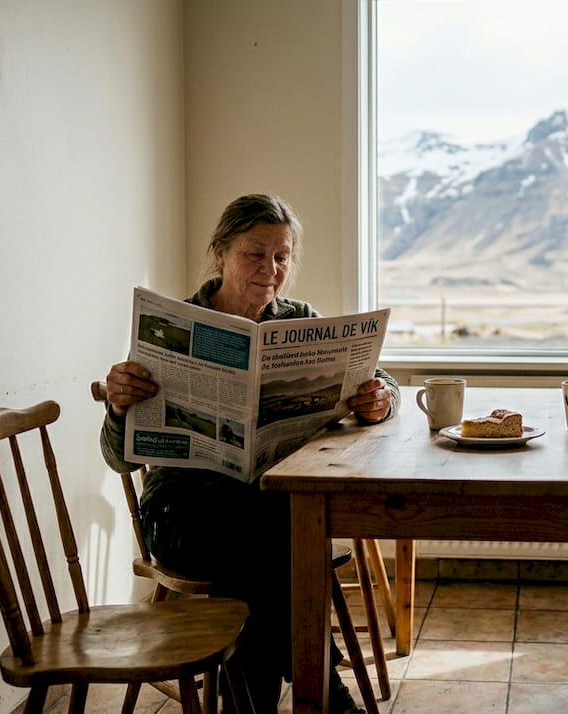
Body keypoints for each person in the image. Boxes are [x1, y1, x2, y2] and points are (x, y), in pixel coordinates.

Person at [100, 193, 398, 714]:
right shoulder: (173, 327)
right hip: (183, 516)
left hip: (266, 516)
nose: (270, 269)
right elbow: (118, 460)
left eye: (282, 256)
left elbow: (378, 377)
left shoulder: (299, 320)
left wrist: (382, 398)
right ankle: (322, 685)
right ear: (220, 253)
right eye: (254, 254)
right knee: (278, 534)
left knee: (267, 534)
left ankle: (251, 703)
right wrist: (120, 407)